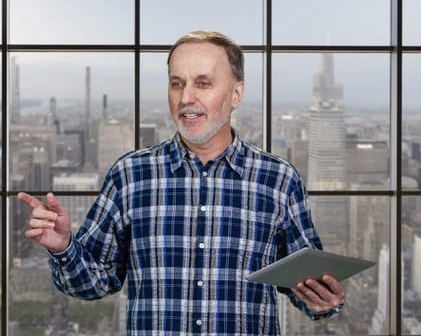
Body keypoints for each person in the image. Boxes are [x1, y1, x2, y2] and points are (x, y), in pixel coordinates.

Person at [18, 30, 345, 335]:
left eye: (203, 83)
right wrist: (64, 247)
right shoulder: (131, 175)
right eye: (177, 83)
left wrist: (324, 300)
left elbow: (307, 285)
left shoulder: (279, 180)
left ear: (235, 94)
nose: (186, 97)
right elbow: (94, 283)